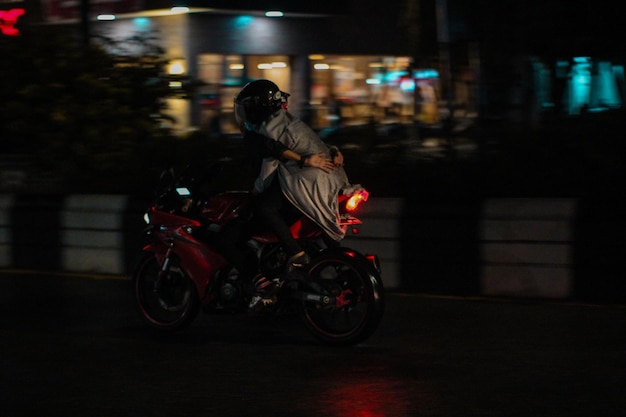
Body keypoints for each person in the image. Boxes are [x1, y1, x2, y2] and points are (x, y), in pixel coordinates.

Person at [233, 79, 356, 310]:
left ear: (254, 108)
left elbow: (269, 163)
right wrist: (334, 151)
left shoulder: (265, 130)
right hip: (335, 177)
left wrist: (256, 191)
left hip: (310, 178)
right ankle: (343, 265)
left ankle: (296, 254)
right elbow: (311, 142)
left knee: (264, 207)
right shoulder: (288, 121)